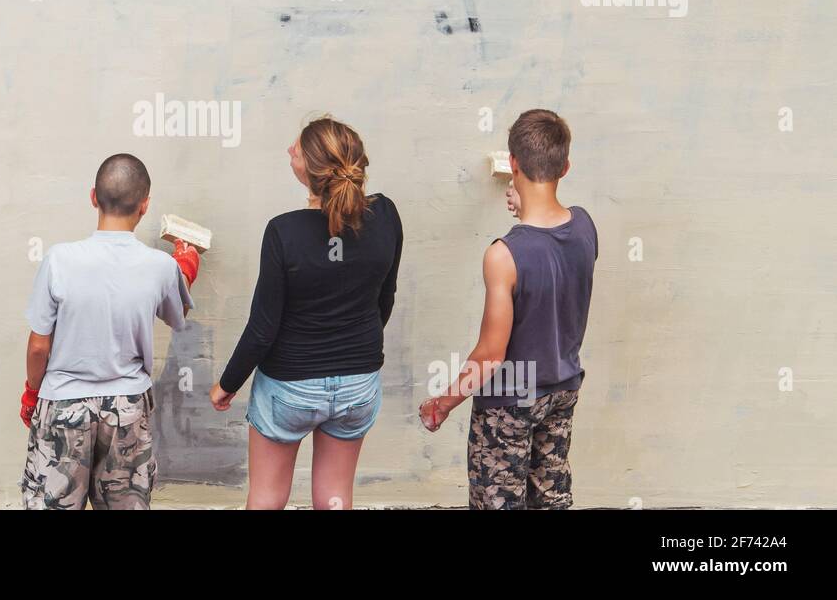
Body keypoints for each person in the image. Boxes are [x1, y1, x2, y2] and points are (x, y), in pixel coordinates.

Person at [209, 116, 402, 510]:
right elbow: (385, 299)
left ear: (307, 170)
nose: (289, 150)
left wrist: (227, 384)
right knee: (334, 499)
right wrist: (349, 347)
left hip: (289, 388)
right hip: (358, 384)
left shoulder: (283, 231)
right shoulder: (387, 216)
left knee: (266, 497)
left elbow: (263, 329)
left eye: (295, 147)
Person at [419, 109, 597, 510]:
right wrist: (527, 208)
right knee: (550, 499)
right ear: (565, 166)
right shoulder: (586, 226)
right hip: (562, 390)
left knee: (499, 503)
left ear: (512, 163)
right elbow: (553, 246)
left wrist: (443, 402)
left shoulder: (503, 255)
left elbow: (490, 356)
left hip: (508, 404)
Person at [20, 154, 201, 510]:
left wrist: (32, 393)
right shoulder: (160, 266)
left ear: (93, 197)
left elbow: (39, 347)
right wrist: (185, 271)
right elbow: (176, 315)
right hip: (127, 408)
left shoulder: (58, 259)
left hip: (63, 405)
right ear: (145, 206)